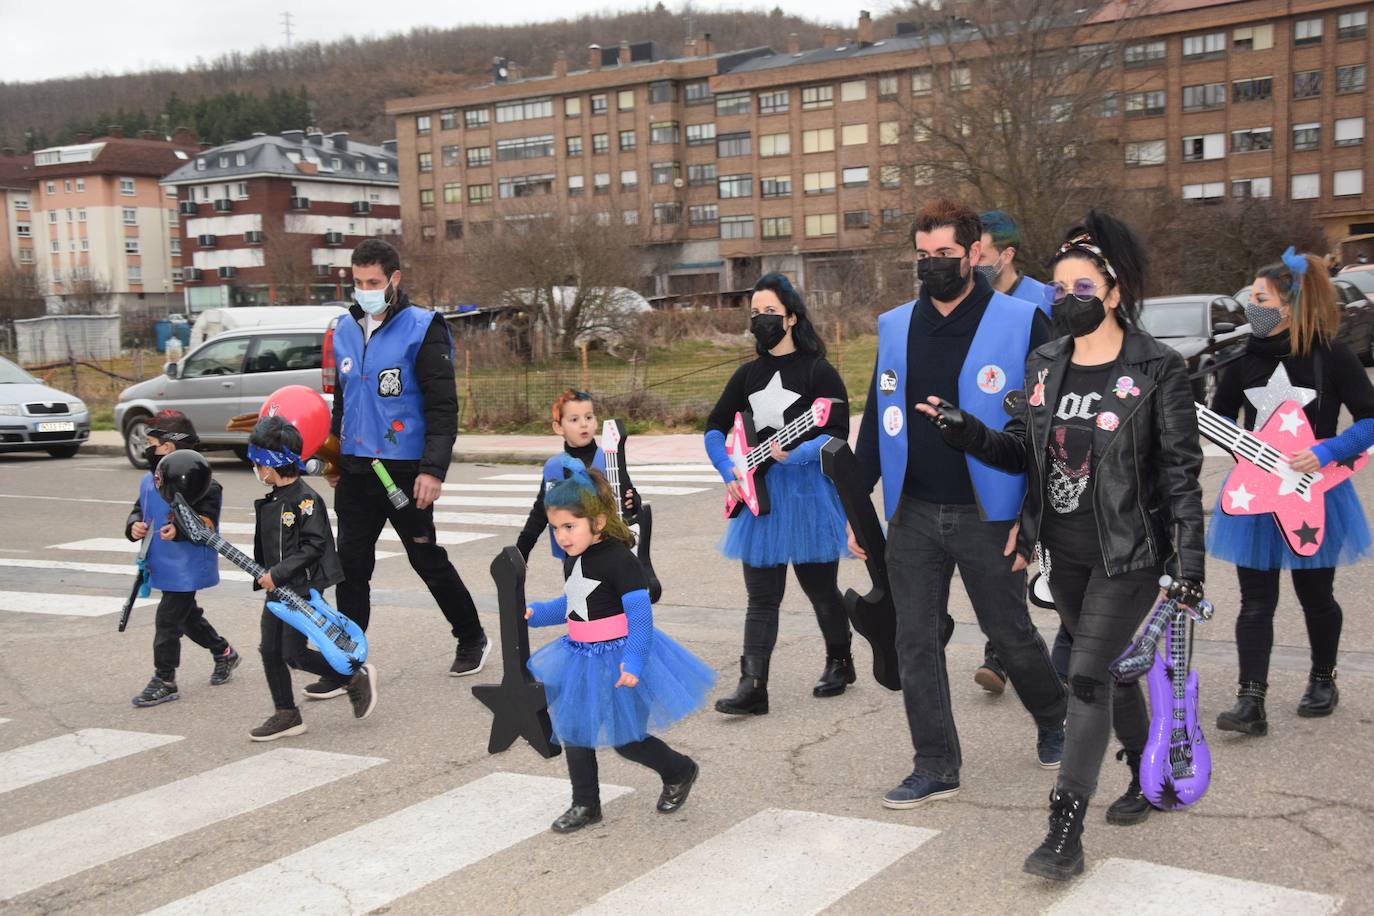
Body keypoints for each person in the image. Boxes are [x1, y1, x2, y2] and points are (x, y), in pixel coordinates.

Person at [918, 209, 1206, 880]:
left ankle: (1064, 830)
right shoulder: (1046, 364)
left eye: (1082, 290)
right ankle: (1142, 771)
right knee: (1107, 672)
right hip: (1065, 554)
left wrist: (1189, 566)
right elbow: (1027, 453)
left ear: (1112, 294)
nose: (1066, 301)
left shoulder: (1159, 369)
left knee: (1083, 676)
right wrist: (969, 434)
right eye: (1058, 290)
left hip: (1129, 553)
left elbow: (1181, 476)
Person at [853, 198, 1067, 811]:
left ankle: (1053, 714)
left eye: (945, 255)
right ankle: (935, 763)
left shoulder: (1023, 320)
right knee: (914, 641)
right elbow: (877, 421)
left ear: (976, 254)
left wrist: (1033, 523)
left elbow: (1046, 432)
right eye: (923, 256)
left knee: (1011, 632)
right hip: (914, 512)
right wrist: (859, 513)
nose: (933, 266)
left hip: (989, 513)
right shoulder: (896, 325)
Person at [1209, 248, 1374, 735]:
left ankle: (1323, 678)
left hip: (1315, 495)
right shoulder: (1240, 361)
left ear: (1289, 305)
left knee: (1315, 595)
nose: (1251, 307)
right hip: (1256, 497)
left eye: (1260, 298)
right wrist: (1246, 451)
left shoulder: (1331, 355)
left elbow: (1369, 420)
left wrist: (1325, 452)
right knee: (1255, 601)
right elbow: (1218, 423)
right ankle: (1250, 701)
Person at [318, 238, 489, 697]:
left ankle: (471, 637)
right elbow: (342, 400)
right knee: (350, 568)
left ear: (394, 279)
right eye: (357, 282)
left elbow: (442, 407)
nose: (365, 290)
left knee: (425, 558)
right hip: (355, 470)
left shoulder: (423, 327)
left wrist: (432, 471)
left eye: (373, 282)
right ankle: (347, 662)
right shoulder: (344, 328)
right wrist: (333, 456)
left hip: (404, 471)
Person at [524, 459, 713, 833]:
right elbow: (573, 604)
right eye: (556, 528)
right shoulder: (572, 558)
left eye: (569, 526)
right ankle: (585, 804)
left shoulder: (620, 560)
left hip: (619, 657)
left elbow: (641, 617)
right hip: (580, 654)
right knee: (575, 729)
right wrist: (537, 612)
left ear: (596, 522)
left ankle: (679, 769)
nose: (562, 536)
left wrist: (635, 662)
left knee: (628, 739)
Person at [703, 273, 854, 714]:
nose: (761, 319)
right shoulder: (746, 374)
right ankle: (753, 687)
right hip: (758, 494)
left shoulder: (819, 371)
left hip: (808, 494)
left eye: (769, 311)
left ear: (791, 317)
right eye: (754, 312)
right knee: (762, 596)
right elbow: (714, 425)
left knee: (820, 589)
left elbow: (838, 433)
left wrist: (800, 452)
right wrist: (725, 465)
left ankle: (840, 660)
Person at [975, 210, 1072, 695]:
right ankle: (1001, 650)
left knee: (1029, 546)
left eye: (983, 254)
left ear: (1007, 256)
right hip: (983, 442)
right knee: (998, 548)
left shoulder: (1044, 300)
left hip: (1034, 440)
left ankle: (1059, 648)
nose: (974, 262)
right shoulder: (967, 300)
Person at [246, 416, 376, 740]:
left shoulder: (305, 500)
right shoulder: (274, 498)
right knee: (269, 650)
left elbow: (315, 545)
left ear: (269, 466)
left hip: (300, 589)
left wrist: (278, 573)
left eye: (257, 462)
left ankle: (352, 677)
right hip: (276, 590)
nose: (255, 469)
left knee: (294, 653)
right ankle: (286, 713)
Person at [124, 411, 238, 707]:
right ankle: (224, 652)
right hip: (162, 562)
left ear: (171, 447)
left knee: (167, 620)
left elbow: (206, 524)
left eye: (152, 443)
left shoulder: (204, 483)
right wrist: (133, 524)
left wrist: (180, 531)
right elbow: (140, 509)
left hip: (188, 564)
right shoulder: (151, 480)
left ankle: (165, 680)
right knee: (187, 619)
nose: (147, 448)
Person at [515, 389, 638, 562]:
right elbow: (541, 511)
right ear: (558, 427)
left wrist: (633, 503)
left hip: (611, 553)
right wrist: (521, 551)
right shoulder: (554, 467)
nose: (583, 424)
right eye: (574, 419)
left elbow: (629, 498)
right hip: (572, 556)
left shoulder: (610, 458)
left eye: (589, 417)